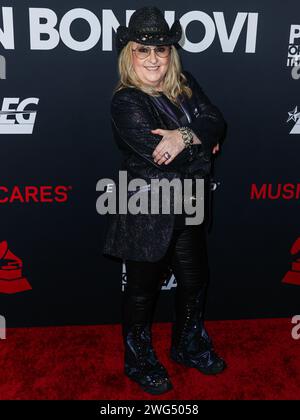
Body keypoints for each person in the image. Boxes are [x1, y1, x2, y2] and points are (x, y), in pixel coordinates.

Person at [102, 6, 226, 395]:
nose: (154, 58)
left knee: (194, 281)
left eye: (162, 49)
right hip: (148, 210)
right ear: (130, 54)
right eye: (143, 50)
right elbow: (164, 154)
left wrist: (184, 137)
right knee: (142, 294)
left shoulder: (186, 83)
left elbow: (217, 121)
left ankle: (187, 346)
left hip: (189, 204)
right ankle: (138, 361)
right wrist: (199, 143)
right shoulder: (126, 102)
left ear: (172, 53)